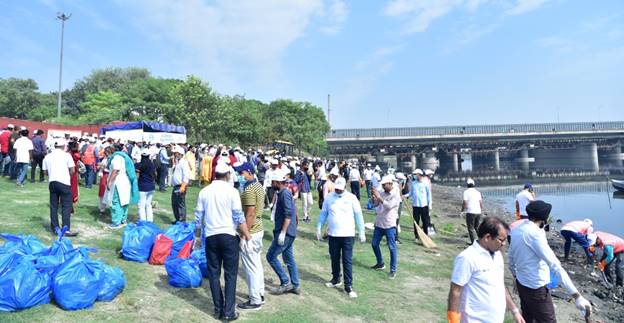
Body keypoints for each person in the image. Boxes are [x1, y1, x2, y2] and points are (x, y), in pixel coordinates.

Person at [508, 200, 592, 322]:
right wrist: (576, 295)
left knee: (527, 318)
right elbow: (555, 265)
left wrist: (516, 277)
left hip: (522, 284)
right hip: (536, 288)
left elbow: (511, 258)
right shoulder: (534, 235)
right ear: (544, 218)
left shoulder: (517, 229)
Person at [193, 162, 252, 321]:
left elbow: (198, 218)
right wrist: (247, 235)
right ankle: (228, 312)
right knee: (230, 274)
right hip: (228, 236)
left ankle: (218, 308)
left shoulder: (204, 191)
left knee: (214, 273)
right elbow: (239, 217)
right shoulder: (232, 191)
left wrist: (197, 236)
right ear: (227, 175)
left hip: (211, 236)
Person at [447, 216, 524, 323]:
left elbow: (500, 284)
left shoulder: (497, 255)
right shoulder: (467, 258)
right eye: (501, 240)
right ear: (487, 237)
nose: (504, 244)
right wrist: (453, 320)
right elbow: (455, 291)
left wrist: (514, 310)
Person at [317, 177, 365, 297]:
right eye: (336, 189)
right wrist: (319, 227)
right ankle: (335, 279)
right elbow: (324, 213)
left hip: (348, 234)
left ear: (345, 187)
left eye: (340, 189)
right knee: (334, 257)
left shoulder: (352, 198)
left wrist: (362, 231)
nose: (337, 191)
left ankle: (348, 285)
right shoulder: (329, 197)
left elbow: (358, 215)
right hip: (333, 234)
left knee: (347, 260)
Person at [235, 162, 266, 310]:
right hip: (258, 229)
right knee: (257, 265)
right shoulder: (258, 186)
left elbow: (250, 213)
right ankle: (259, 293)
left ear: (249, 172)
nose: (240, 176)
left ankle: (255, 300)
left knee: (250, 267)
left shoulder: (248, 190)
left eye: (241, 173)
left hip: (251, 232)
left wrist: (243, 234)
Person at [266, 172, 301, 295]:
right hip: (288, 232)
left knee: (270, 256)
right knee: (289, 258)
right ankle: (295, 285)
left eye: (273, 182)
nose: (271, 184)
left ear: (277, 182)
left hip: (286, 233)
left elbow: (288, 214)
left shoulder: (285, 194)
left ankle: (285, 282)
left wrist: (283, 232)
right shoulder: (281, 193)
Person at [42, 138, 77, 237]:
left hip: (52, 182)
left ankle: (55, 228)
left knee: (54, 206)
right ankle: (65, 228)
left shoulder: (47, 156)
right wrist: (67, 176)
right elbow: (72, 170)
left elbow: (45, 172)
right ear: (64, 146)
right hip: (64, 182)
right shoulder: (66, 155)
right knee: (66, 206)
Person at [370, 175, 400, 279]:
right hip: (379, 223)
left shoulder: (396, 194)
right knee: (374, 244)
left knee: (392, 248)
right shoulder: (382, 193)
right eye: (382, 185)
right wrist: (373, 198)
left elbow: (389, 205)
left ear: (390, 184)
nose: (383, 187)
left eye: (384, 185)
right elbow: (375, 205)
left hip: (389, 224)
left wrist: (378, 197)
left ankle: (393, 270)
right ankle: (380, 263)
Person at [106, 144, 139, 229]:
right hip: (125, 181)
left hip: (118, 181)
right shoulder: (124, 156)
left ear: (114, 149)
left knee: (116, 201)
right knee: (124, 201)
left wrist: (109, 181)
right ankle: (123, 220)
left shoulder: (117, 157)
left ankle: (116, 222)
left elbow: (115, 170)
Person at [405, 169, 432, 238]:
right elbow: (411, 193)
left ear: (420, 175)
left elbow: (429, 194)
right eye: (414, 174)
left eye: (416, 174)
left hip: (424, 205)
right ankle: (416, 236)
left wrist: (430, 205)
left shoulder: (425, 183)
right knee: (416, 222)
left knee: (425, 221)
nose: (415, 176)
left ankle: (426, 235)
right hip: (415, 206)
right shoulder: (414, 183)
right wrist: (404, 196)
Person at [136, 149, 156, 222]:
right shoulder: (152, 164)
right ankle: (150, 220)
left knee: (141, 205)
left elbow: (135, 167)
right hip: (151, 186)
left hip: (142, 186)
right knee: (148, 204)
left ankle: (143, 221)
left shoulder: (140, 164)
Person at [171, 146, 190, 223]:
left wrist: (183, 186)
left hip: (181, 185)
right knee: (174, 203)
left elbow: (186, 175)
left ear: (179, 153)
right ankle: (178, 219)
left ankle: (181, 221)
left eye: (175, 153)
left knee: (180, 204)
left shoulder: (184, 163)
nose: (174, 154)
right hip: (176, 186)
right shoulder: (179, 162)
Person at [462, 178, 483, 244]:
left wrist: (462, 211)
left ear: (467, 185)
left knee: (471, 228)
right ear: (473, 184)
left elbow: (465, 203)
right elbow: (480, 203)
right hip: (478, 212)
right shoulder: (478, 192)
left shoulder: (466, 192)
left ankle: (474, 243)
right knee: (477, 227)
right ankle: (482, 240)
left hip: (470, 212)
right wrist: (481, 210)